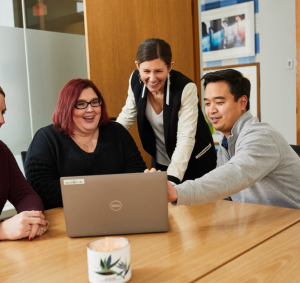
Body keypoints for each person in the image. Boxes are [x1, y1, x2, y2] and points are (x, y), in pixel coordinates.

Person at [160, 69, 300, 209]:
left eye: (219, 102)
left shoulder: (261, 136)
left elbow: (233, 176)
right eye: (208, 104)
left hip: (292, 221)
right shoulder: (227, 142)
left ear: (242, 102)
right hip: (260, 220)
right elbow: (226, 195)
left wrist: (178, 192)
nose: (211, 110)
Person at [25, 79, 146, 210]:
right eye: (81, 104)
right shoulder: (46, 138)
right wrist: (105, 192)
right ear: (66, 107)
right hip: (66, 216)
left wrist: (91, 193)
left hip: (117, 210)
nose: (90, 109)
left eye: (95, 102)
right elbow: (43, 190)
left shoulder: (117, 131)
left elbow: (137, 174)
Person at [116, 38, 216, 186]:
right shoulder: (135, 81)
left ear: (170, 67)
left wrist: (172, 180)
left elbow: (185, 138)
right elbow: (127, 116)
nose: (152, 78)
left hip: (194, 160)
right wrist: (106, 139)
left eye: (158, 71)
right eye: (146, 71)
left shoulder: (185, 88)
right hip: (161, 160)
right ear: (137, 66)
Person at [0, 86, 49, 241]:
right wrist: (2, 231)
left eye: (3, 112)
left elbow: (25, 195)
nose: (2, 120)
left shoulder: (1, 151)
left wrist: (32, 219)